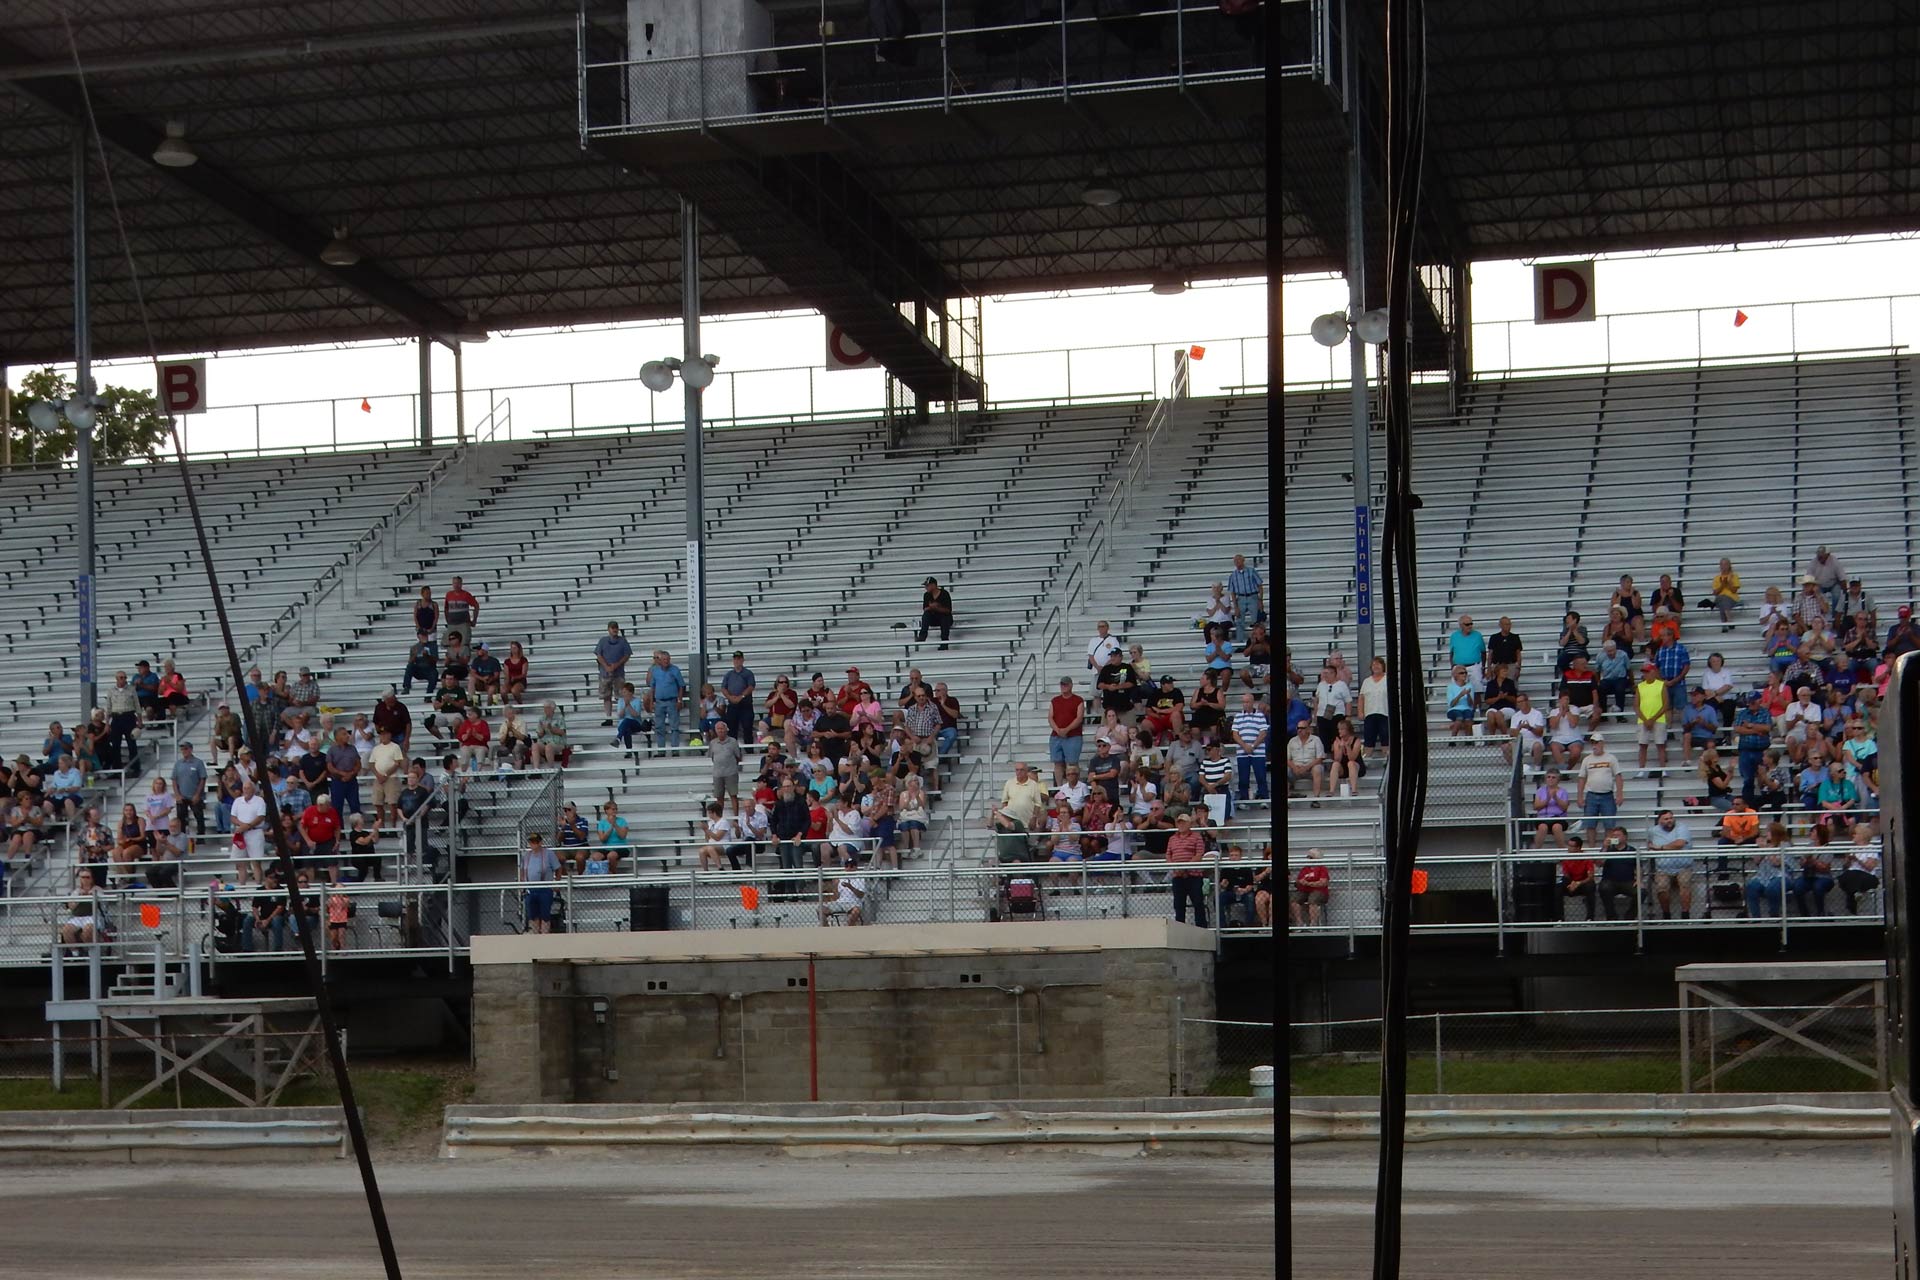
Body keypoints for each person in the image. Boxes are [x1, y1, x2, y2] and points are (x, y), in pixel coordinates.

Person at [1648, 810, 1695, 919]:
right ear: (1659, 821)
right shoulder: (1652, 831)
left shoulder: (1682, 827)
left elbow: (1680, 843)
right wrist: (1654, 847)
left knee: (1685, 884)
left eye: (1671, 818)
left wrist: (1661, 848)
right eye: (1666, 819)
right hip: (1663, 868)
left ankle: (1685, 915)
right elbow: (1650, 845)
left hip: (1684, 867)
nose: (1669, 820)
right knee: (1661, 887)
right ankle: (1666, 915)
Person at [1576, 734, 1624, 836]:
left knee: (1609, 825)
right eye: (1593, 743)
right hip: (1591, 795)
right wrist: (1580, 797)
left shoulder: (1611, 758)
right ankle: (1592, 848)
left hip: (1607, 795)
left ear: (1602, 743)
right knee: (1590, 825)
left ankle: (1607, 849)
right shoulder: (1587, 759)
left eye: (1597, 742)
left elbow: (1618, 776)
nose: (1594, 745)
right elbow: (1581, 778)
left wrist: (1619, 794)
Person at [1596, 826, 1640, 921]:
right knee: (1603, 888)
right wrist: (1604, 847)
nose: (1615, 837)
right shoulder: (1607, 849)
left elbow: (1638, 867)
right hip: (1610, 882)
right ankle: (1611, 917)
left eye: (1618, 835)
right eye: (1614, 836)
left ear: (1625, 837)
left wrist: (1639, 880)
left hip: (1628, 882)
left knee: (1642, 892)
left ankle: (1630, 916)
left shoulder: (1632, 850)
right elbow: (1599, 863)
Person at [594, 621, 633, 725]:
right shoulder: (603, 641)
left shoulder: (623, 641)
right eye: (612, 628)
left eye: (616, 628)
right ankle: (608, 717)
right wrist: (606, 666)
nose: (614, 630)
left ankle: (621, 715)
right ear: (608, 629)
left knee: (620, 695)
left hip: (618, 673)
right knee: (606, 696)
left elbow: (627, 655)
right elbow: (598, 655)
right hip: (605, 673)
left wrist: (616, 665)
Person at [520, 833, 560, 934]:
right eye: (531, 842)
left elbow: (558, 868)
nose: (533, 844)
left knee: (545, 915)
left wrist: (556, 883)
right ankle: (535, 936)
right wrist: (522, 885)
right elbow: (522, 870)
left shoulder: (549, 854)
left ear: (540, 843)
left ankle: (545, 936)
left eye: (535, 842)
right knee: (533, 915)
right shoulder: (526, 856)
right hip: (530, 889)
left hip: (545, 889)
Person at [1633, 663, 1670, 771]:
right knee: (1642, 745)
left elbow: (1666, 704)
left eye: (1647, 672)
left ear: (1653, 672)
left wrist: (1652, 719)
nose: (1645, 674)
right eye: (1644, 672)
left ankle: (1663, 769)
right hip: (1644, 720)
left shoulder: (1661, 685)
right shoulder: (1640, 686)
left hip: (1658, 719)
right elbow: (1636, 705)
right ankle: (1641, 769)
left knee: (1660, 744)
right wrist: (1645, 720)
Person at [1285, 720, 1328, 805]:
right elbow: (1287, 759)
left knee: (1317, 769)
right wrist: (1294, 767)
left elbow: (1320, 758)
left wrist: (1306, 767)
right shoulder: (1292, 741)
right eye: (1298, 728)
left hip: (1311, 768)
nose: (1299, 730)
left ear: (1308, 729)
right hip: (1296, 768)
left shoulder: (1316, 740)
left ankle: (1316, 799)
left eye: (1302, 728)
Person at [1838, 831, 1882, 915]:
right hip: (1851, 876)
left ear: (1862, 836)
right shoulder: (1853, 849)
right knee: (1847, 875)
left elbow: (1870, 868)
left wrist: (1857, 860)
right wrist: (1848, 860)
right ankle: (1856, 893)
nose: (1853, 835)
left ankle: (1852, 907)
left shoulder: (1871, 848)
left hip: (1867, 876)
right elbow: (1845, 868)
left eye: (1856, 833)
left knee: (1854, 875)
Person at [1559, 836, 1601, 920]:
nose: (1569, 849)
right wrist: (1573, 883)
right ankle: (1559, 918)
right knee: (1558, 888)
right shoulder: (1566, 858)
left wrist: (1579, 883)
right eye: (1568, 846)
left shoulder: (1586, 858)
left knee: (1591, 886)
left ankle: (1590, 918)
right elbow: (1566, 875)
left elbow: (1590, 876)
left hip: (1583, 884)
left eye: (1571, 846)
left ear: (1578, 848)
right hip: (1570, 883)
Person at [1357, 657, 1389, 760]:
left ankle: (1387, 758)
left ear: (1383, 666)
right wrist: (1360, 712)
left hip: (1385, 713)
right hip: (1370, 713)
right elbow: (1361, 697)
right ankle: (1367, 758)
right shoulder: (1367, 681)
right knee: (1369, 737)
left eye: (1378, 664)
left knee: (1385, 736)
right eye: (1374, 664)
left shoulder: (1388, 679)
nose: (1376, 666)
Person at [1227, 554, 1263, 645]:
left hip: (1252, 596)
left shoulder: (1251, 571)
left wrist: (1260, 600)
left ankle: (1257, 641)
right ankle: (1240, 642)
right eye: (1235, 561)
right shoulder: (1233, 575)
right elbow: (1232, 592)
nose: (1237, 563)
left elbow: (1260, 585)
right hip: (1241, 598)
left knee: (1256, 621)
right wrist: (1235, 606)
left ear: (1243, 560)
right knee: (1239, 621)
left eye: (1238, 560)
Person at [820, 854, 868, 925]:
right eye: (846, 866)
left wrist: (850, 887)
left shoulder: (860, 879)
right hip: (840, 902)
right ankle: (827, 929)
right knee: (820, 910)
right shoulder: (841, 878)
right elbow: (835, 897)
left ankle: (848, 929)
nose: (848, 868)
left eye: (851, 866)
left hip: (854, 903)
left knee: (856, 911)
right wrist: (834, 886)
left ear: (855, 868)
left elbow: (861, 895)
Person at [720, 651, 757, 743]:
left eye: (739, 659)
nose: (737, 661)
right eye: (735, 659)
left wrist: (741, 696)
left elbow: (751, 686)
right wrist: (730, 697)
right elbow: (723, 688)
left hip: (745, 704)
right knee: (732, 729)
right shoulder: (729, 674)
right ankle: (733, 749)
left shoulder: (748, 673)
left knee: (747, 727)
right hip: (733, 705)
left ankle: (749, 750)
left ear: (743, 660)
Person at [1532, 768, 1572, 848]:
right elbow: (1536, 806)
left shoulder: (1563, 791)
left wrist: (1556, 798)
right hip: (1543, 818)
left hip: (1558, 818)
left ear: (1558, 780)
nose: (1550, 779)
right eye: (1548, 777)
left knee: (1556, 827)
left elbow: (1565, 807)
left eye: (1553, 777)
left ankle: (1562, 852)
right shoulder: (1540, 791)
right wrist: (1547, 800)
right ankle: (1536, 852)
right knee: (1543, 827)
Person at [1679, 687, 1721, 765]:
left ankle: (1708, 764)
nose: (1693, 697)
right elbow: (1685, 727)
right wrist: (1693, 723)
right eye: (1692, 695)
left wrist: (1703, 723)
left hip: (1706, 737)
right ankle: (1687, 761)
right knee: (1687, 735)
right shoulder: (1687, 709)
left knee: (1711, 744)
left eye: (1695, 695)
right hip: (1693, 737)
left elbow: (1714, 728)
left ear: (1703, 697)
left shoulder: (1710, 709)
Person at [1290, 847, 1330, 927]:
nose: (1308, 859)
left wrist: (1308, 883)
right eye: (1307, 857)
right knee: (1294, 900)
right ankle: (1299, 923)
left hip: (1319, 891)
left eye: (1310, 857)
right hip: (1305, 891)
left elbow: (1323, 882)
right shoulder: (1305, 869)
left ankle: (1313, 924)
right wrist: (1299, 882)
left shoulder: (1322, 868)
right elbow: (1299, 880)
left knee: (1313, 899)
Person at [708, 719, 744, 803]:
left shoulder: (733, 741)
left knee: (733, 795)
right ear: (715, 730)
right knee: (719, 797)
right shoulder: (712, 743)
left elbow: (738, 756)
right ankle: (719, 815)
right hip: (717, 774)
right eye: (718, 729)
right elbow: (712, 757)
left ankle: (735, 815)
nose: (720, 730)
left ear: (726, 729)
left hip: (731, 772)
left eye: (722, 728)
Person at [1448, 615, 1487, 691]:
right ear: (1461, 625)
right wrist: (1452, 666)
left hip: (1474, 666)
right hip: (1458, 666)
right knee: (1457, 690)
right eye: (1467, 624)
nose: (1470, 626)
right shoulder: (1454, 636)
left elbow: (1483, 652)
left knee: (1477, 690)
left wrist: (1482, 667)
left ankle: (1477, 703)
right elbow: (1452, 652)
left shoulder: (1478, 635)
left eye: (1471, 624)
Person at [1744, 849, 1786, 920]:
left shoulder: (1783, 845)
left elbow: (1776, 863)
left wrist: (1768, 850)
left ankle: (1774, 916)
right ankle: (1756, 918)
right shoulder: (1761, 847)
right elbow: (1756, 861)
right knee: (1751, 886)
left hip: (1779, 875)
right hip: (1762, 875)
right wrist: (1762, 850)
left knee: (1772, 887)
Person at [916, 575, 953, 647]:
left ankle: (944, 642)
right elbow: (925, 609)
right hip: (934, 618)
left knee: (945, 617)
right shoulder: (926, 595)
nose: (926, 587)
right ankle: (922, 636)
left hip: (944, 618)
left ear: (933, 585)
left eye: (927, 585)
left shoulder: (944, 594)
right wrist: (933, 607)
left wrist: (936, 608)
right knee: (926, 615)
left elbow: (948, 610)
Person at [443, 576, 480, 645]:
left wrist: (474, 619)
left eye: (458, 583)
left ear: (461, 584)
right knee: (452, 644)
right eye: (454, 583)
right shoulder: (448, 595)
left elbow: (476, 606)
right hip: (452, 624)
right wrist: (447, 619)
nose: (456, 585)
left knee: (464, 644)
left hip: (464, 623)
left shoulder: (466, 595)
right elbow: (446, 608)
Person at [1705, 557, 1742, 625]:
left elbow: (1734, 591)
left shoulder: (1734, 576)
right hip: (1719, 598)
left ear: (1729, 566)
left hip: (1732, 599)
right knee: (1722, 598)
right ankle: (1729, 619)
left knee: (1723, 600)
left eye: (1725, 564)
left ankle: (1724, 623)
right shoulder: (1716, 578)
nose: (1723, 566)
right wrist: (1722, 585)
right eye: (1721, 564)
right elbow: (1715, 593)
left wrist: (1729, 582)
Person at [1444, 665, 1476, 737]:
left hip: (1467, 709)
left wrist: (1468, 695)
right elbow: (1451, 704)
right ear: (1456, 675)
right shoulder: (1450, 687)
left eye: (1465, 673)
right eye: (1461, 673)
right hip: (1454, 709)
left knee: (1468, 719)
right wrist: (1460, 695)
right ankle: (1453, 739)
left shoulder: (1469, 686)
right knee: (1459, 718)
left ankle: (1468, 741)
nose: (1464, 674)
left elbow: (1470, 704)